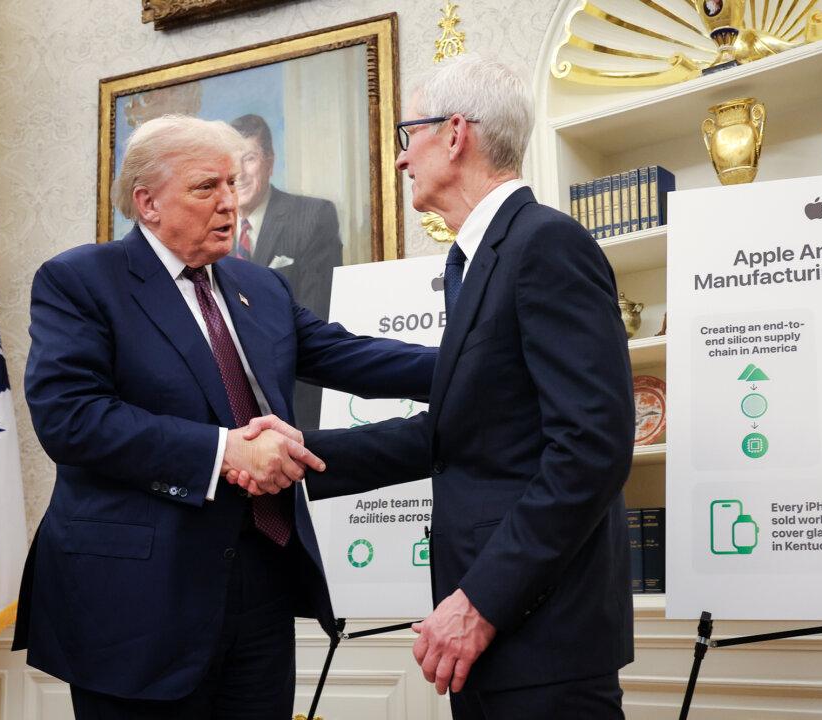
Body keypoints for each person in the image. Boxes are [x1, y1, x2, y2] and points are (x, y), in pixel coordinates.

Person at [243, 54, 636, 718]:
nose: (401, 160)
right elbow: (460, 433)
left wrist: (482, 601)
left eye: (408, 135)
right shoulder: (480, 260)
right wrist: (301, 454)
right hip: (498, 632)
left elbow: (592, 449)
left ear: (455, 134)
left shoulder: (544, 245)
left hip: (539, 632)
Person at [12, 115, 436, 720]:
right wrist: (225, 452)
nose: (230, 203)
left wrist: (482, 361)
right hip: (136, 604)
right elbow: (70, 417)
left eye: (233, 185)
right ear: (147, 202)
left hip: (259, 584)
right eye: (206, 187)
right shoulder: (80, 280)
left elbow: (351, 356)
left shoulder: (259, 287)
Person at [231, 113, 342, 430]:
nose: (238, 173)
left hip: (294, 398)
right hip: (229, 410)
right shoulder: (209, 230)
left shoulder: (311, 216)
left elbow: (317, 311)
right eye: (231, 161)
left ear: (269, 161)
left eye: (249, 158)